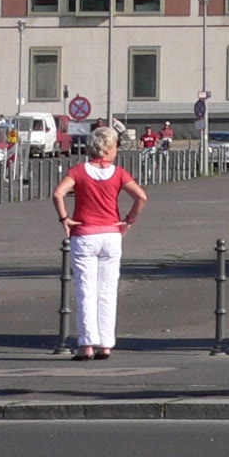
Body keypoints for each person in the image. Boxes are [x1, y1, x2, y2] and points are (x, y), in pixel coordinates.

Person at [50, 127, 148, 360]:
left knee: (86, 290)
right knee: (108, 290)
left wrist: (65, 219)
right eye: (115, 146)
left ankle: (87, 344)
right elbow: (141, 196)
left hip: (84, 235)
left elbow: (58, 193)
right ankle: (106, 343)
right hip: (111, 234)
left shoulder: (78, 172)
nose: (116, 150)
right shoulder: (119, 173)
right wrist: (128, 220)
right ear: (108, 148)